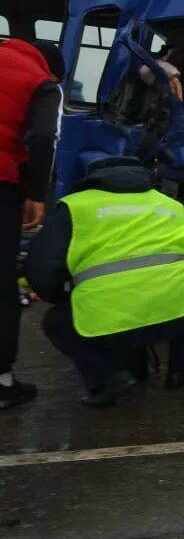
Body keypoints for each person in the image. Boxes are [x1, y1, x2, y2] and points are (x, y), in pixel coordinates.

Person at [27, 156, 184, 406]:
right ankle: (181, 370)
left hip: (109, 316)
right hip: (178, 310)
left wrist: (67, 296)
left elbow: (43, 270)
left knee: (56, 323)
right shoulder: (170, 204)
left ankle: (108, 377)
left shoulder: (75, 207)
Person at [0, 38, 64, 409]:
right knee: (2, 285)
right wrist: (35, 192)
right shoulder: (40, 81)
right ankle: (3, 382)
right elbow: (43, 137)